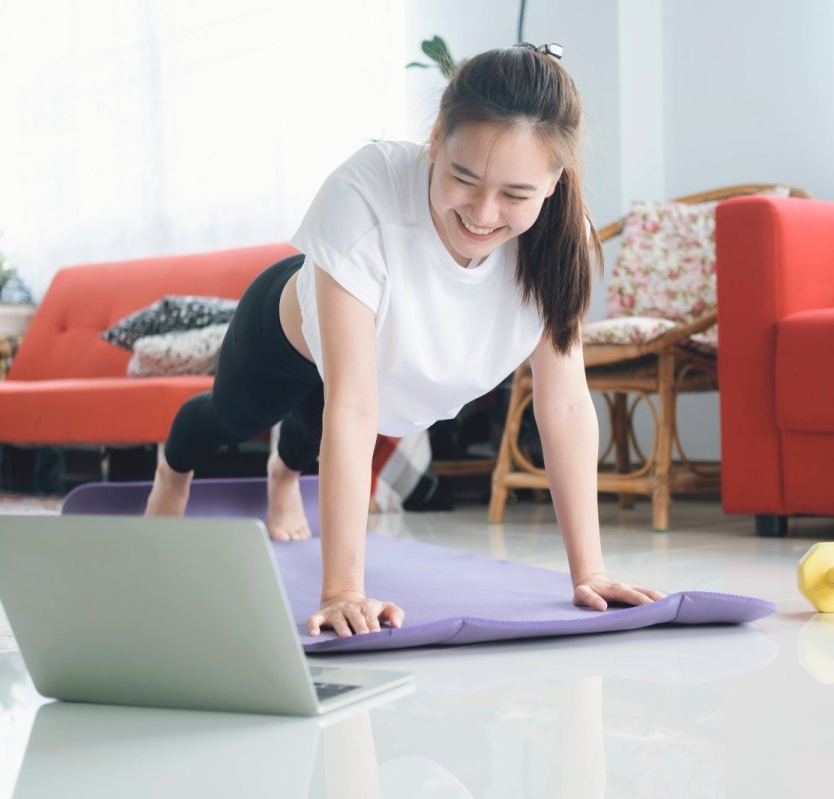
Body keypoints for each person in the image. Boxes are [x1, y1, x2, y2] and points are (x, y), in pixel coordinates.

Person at [145, 43, 666, 637]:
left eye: (515, 196)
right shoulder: (364, 192)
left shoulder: (562, 243)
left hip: (376, 376)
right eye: (463, 178)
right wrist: (344, 591)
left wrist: (589, 571)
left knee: (309, 433)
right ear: (436, 140)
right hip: (292, 336)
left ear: (554, 180)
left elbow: (566, 403)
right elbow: (354, 402)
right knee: (233, 416)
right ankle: (172, 472)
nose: (482, 213)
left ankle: (283, 477)